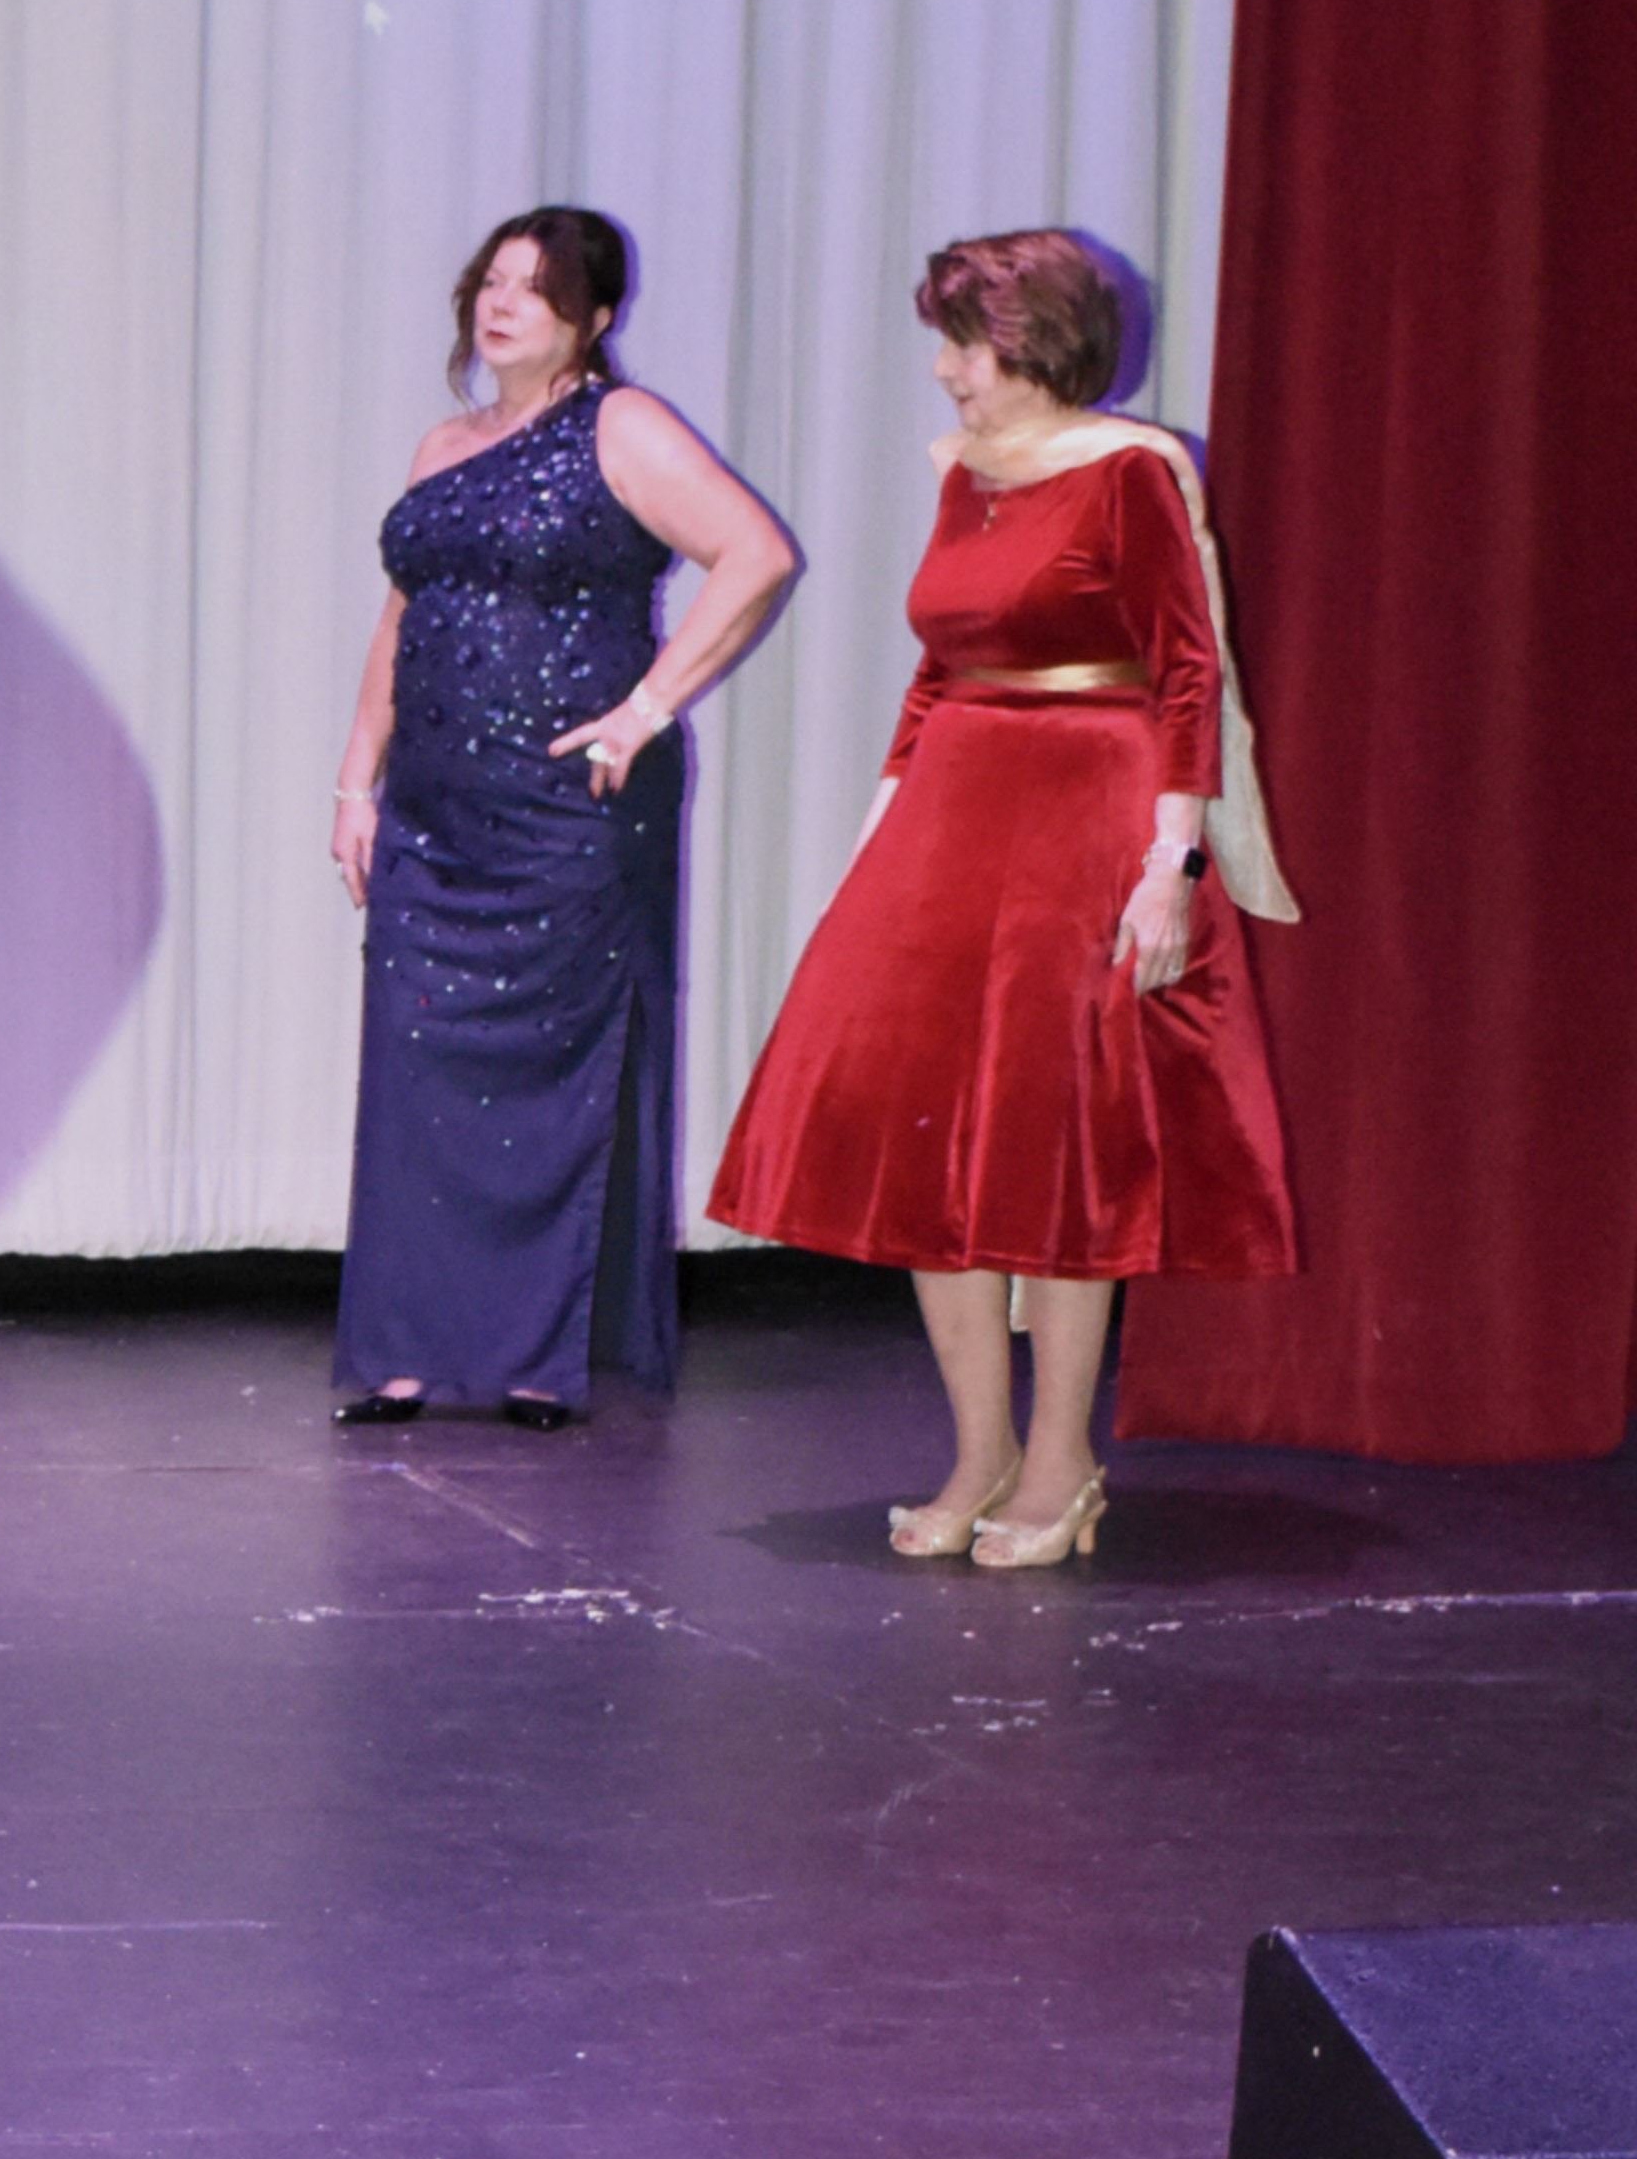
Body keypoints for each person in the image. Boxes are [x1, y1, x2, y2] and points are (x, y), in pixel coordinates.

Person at [708, 225, 1298, 1566]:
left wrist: (1170, 863)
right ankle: (979, 1451)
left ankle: (1060, 1463)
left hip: (1086, 814)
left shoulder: (1129, 472)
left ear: (1031, 346)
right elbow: (937, 670)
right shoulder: (963, 474)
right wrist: (879, 831)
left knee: (1058, 1148)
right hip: (954, 816)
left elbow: (1186, 674)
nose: (943, 369)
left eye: (963, 344)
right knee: (933, 1142)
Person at [329, 211, 794, 1428]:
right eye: (490, 281)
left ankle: (540, 1356)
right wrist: (354, 782)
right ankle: (408, 1351)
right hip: (433, 812)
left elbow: (754, 555)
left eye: (533, 290)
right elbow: (399, 622)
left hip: (565, 814)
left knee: (553, 1077)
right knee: (418, 1077)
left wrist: (645, 708)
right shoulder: (442, 445)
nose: (499, 305)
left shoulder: (620, 426)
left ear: (592, 318)